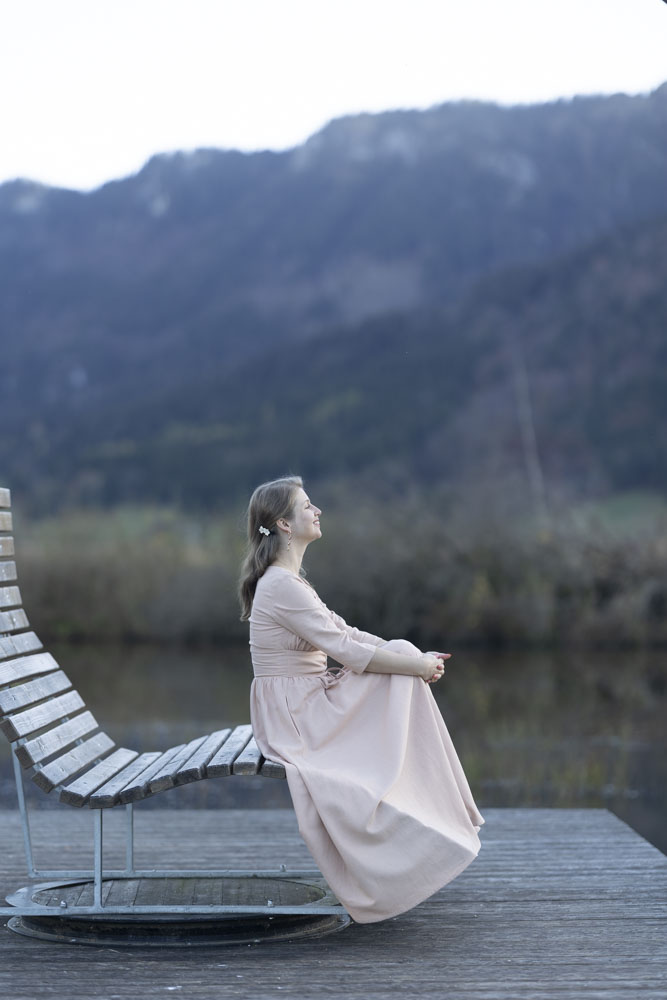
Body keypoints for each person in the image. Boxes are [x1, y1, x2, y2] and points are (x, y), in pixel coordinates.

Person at [239, 475, 483, 924]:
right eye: (307, 506)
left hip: (306, 701)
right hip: (296, 716)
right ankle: (422, 807)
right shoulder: (281, 586)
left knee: (402, 652)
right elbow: (346, 651)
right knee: (403, 664)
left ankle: (427, 804)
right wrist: (416, 667)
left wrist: (413, 658)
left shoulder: (290, 582)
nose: (317, 511)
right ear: (284, 524)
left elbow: (347, 633)